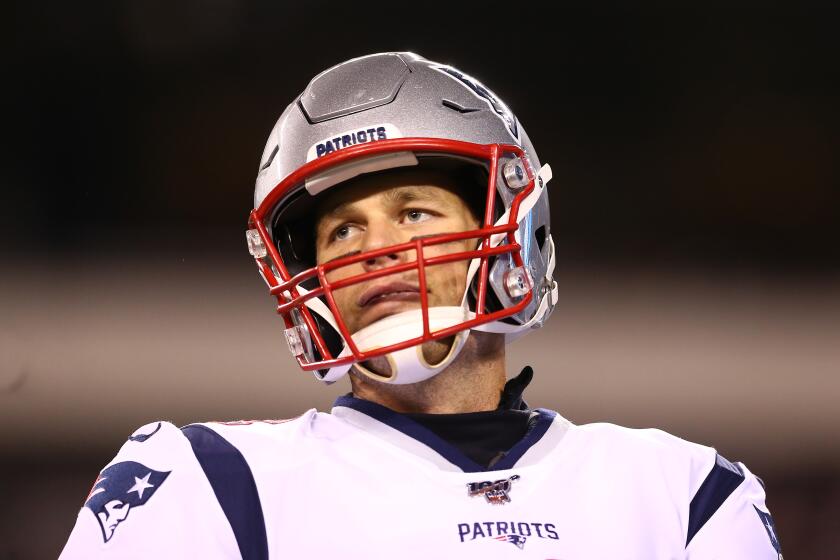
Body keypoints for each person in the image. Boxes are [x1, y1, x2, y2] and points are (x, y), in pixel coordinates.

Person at [59, 52, 783, 559]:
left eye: (414, 213)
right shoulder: (209, 481)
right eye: (342, 230)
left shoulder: (683, 495)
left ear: (506, 233)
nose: (376, 247)